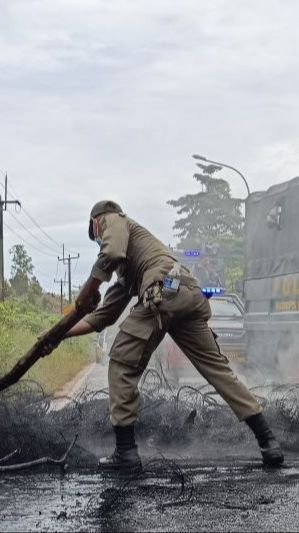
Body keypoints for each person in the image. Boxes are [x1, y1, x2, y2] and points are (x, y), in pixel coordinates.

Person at [42, 200, 284, 472]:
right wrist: (59, 335)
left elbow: (110, 251)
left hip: (162, 291)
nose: (98, 239)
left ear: (97, 221)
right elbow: (104, 316)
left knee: (121, 364)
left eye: (95, 233)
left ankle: (125, 453)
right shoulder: (129, 267)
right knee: (219, 372)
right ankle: (268, 441)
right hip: (186, 292)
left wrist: (89, 288)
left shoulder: (114, 219)